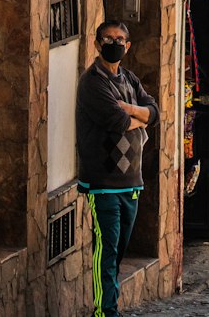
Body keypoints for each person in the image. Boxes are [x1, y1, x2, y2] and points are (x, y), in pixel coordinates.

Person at [76, 21, 159, 317]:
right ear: (97, 44)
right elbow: (118, 122)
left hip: (131, 182)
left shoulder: (129, 79)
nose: (114, 43)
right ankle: (105, 311)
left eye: (120, 39)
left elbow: (154, 112)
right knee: (107, 249)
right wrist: (136, 115)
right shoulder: (92, 82)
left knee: (119, 249)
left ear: (128, 45)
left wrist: (130, 109)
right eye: (108, 38)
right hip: (103, 183)